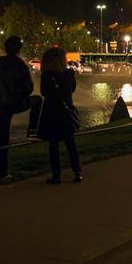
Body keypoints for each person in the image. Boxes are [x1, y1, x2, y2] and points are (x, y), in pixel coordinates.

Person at [0, 35, 39, 180]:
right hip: (16, 103)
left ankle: (3, 170)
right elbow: (29, 87)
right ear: (19, 49)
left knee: (3, 137)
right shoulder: (20, 65)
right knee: (38, 100)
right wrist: (19, 96)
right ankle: (33, 130)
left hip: (2, 105)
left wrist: (1, 96)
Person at [37, 47, 82, 184]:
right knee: (70, 144)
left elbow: (44, 92)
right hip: (66, 112)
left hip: (52, 112)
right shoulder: (69, 73)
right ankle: (77, 172)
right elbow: (72, 89)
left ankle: (56, 175)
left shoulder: (47, 75)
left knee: (53, 145)